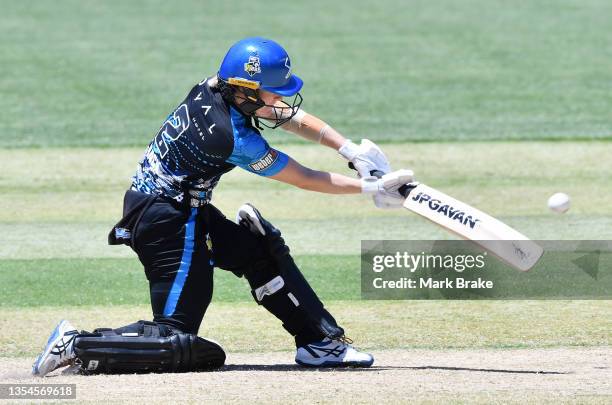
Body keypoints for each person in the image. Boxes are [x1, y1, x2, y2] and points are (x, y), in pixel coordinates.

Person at [32, 37, 414, 376]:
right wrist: (371, 187)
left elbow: (288, 117)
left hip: (182, 209)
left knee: (259, 249)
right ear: (246, 92)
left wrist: (349, 150)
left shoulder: (215, 84)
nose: (280, 99)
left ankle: (319, 344)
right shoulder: (232, 138)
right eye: (272, 92)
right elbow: (303, 177)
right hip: (165, 221)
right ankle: (76, 343)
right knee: (178, 339)